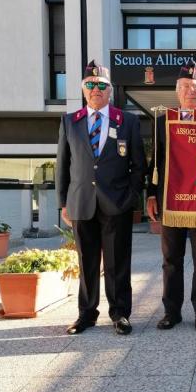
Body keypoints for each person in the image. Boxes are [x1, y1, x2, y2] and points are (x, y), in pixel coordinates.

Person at [56, 60, 146, 335]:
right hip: (81, 202)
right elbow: (63, 164)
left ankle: (120, 313)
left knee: (118, 262)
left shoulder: (127, 121)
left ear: (110, 91)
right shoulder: (70, 122)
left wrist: (130, 197)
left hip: (116, 204)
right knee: (87, 261)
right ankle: (86, 314)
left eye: (101, 86)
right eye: (90, 85)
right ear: (84, 90)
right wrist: (63, 202)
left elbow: (139, 165)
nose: (96, 89)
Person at [146, 60, 196, 332]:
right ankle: (172, 312)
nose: (190, 92)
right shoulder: (163, 122)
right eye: (185, 86)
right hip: (171, 200)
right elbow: (155, 163)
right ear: (177, 91)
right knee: (171, 259)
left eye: (195, 87)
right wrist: (151, 194)